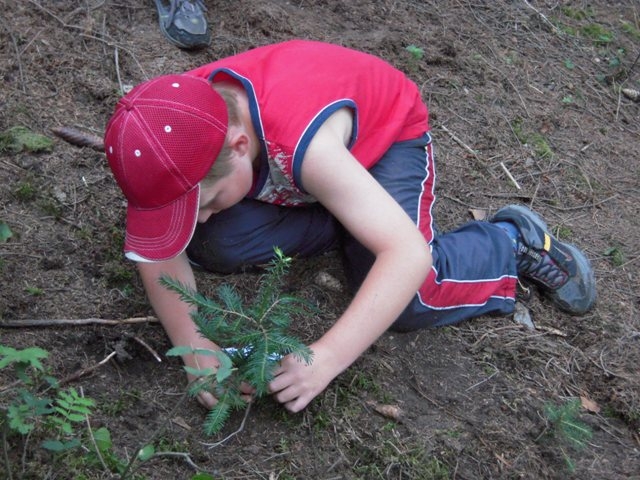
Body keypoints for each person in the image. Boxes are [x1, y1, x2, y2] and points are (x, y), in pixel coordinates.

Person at [103, 40, 596, 412]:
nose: (202, 214)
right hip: (316, 173)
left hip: (384, 144)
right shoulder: (166, 128)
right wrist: (194, 348)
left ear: (238, 147)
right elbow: (157, 253)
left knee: (410, 295)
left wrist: (326, 357)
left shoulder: (302, 143)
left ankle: (508, 242)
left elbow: (407, 255)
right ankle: (355, 215)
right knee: (214, 242)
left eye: (207, 201)